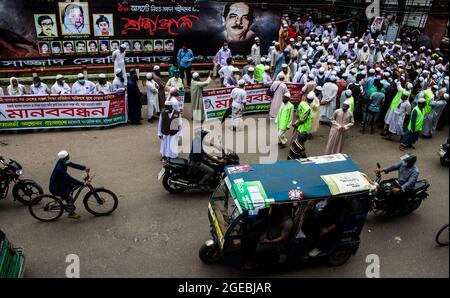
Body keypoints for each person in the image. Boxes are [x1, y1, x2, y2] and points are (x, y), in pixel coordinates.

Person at [49, 150, 89, 220]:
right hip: (56, 187)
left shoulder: (62, 161)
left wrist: (84, 168)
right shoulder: (59, 169)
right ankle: (71, 213)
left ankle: (69, 199)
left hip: (61, 182)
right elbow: (69, 178)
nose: (68, 158)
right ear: (64, 159)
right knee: (69, 197)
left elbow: (72, 164)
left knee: (72, 187)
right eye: (67, 157)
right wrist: (82, 183)